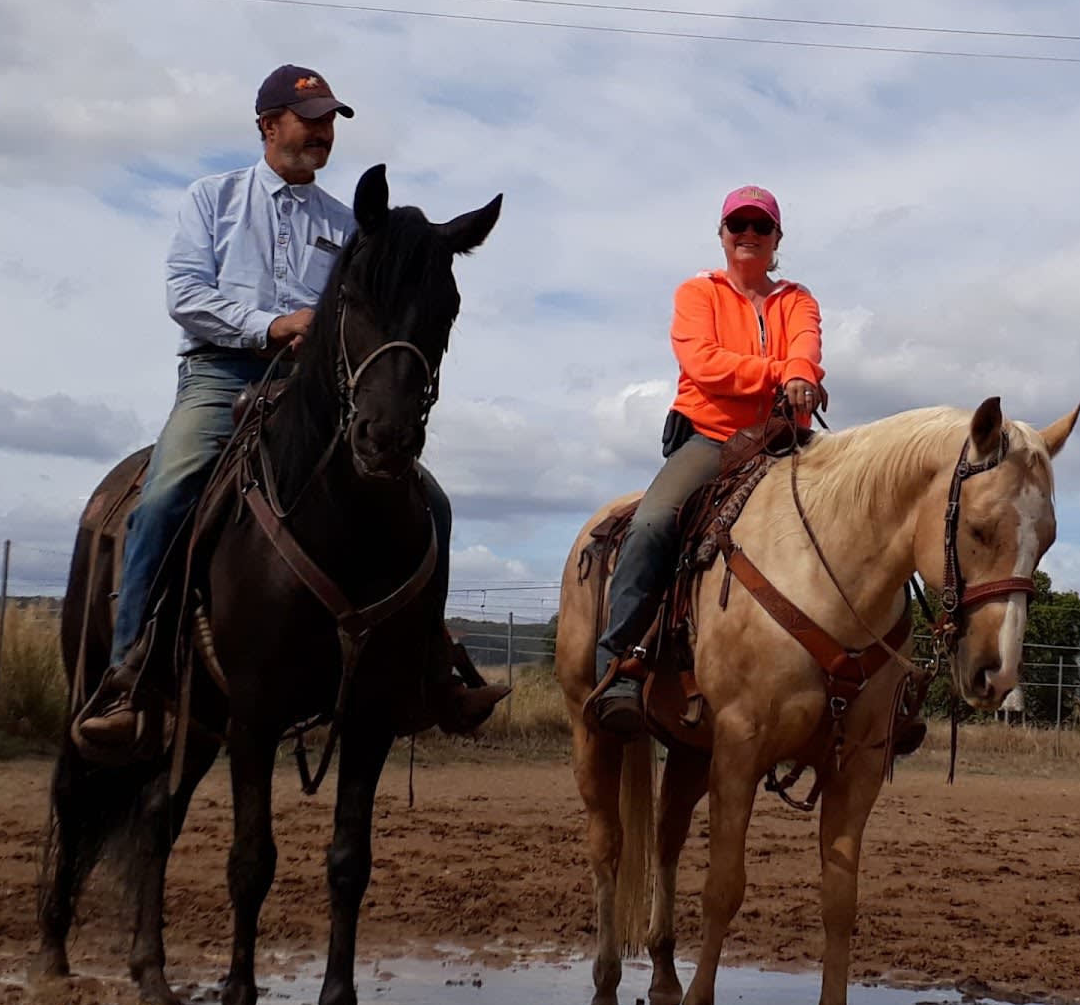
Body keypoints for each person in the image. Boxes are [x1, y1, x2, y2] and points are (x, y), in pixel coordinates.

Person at [77, 64, 506, 753]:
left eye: (330, 121)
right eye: (310, 119)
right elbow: (184, 293)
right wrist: (268, 325)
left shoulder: (349, 224)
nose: (322, 133)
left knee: (433, 503)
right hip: (220, 375)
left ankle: (428, 669)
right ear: (268, 125)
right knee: (166, 492)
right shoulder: (211, 199)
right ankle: (129, 671)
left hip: (314, 391)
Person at [590, 184, 826, 736]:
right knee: (651, 524)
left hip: (785, 442)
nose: (748, 235)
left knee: (862, 511)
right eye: (737, 226)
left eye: (760, 227)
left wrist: (802, 369)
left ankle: (875, 678)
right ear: (722, 236)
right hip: (713, 441)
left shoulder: (797, 299)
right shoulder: (698, 293)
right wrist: (783, 373)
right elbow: (705, 364)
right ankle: (619, 664)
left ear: (776, 239)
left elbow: (806, 348)